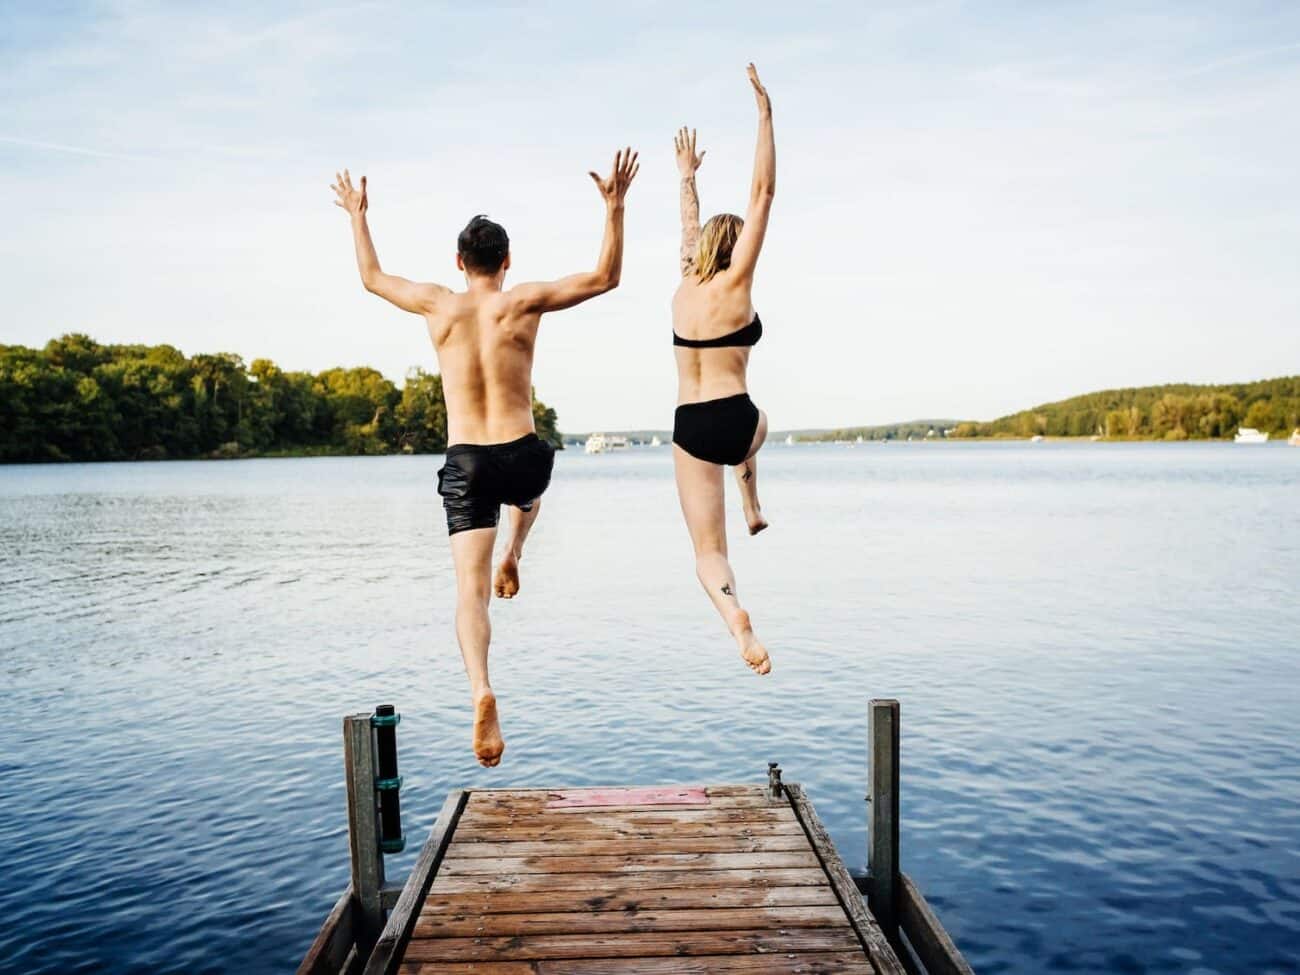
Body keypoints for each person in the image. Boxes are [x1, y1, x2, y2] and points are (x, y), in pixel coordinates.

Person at [331, 149, 639, 766]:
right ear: (505, 262)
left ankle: (480, 688)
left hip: (465, 458)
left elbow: (371, 277)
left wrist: (358, 216)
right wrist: (615, 206)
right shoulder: (521, 301)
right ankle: (516, 548)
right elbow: (605, 277)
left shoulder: (436, 304)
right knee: (533, 485)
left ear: (458, 263)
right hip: (520, 453)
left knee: (469, 593)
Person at [671, 64, 774, 676]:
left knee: (708, 552)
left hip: (691, 426)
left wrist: (686, 176)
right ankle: (753, 500)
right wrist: (764, 116)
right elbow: (762, 195)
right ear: (736, 250)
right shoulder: (739, 284)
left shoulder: (685, 285)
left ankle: (736, 617)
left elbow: (689, 225)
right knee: (759, 426)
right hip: (740, 420)